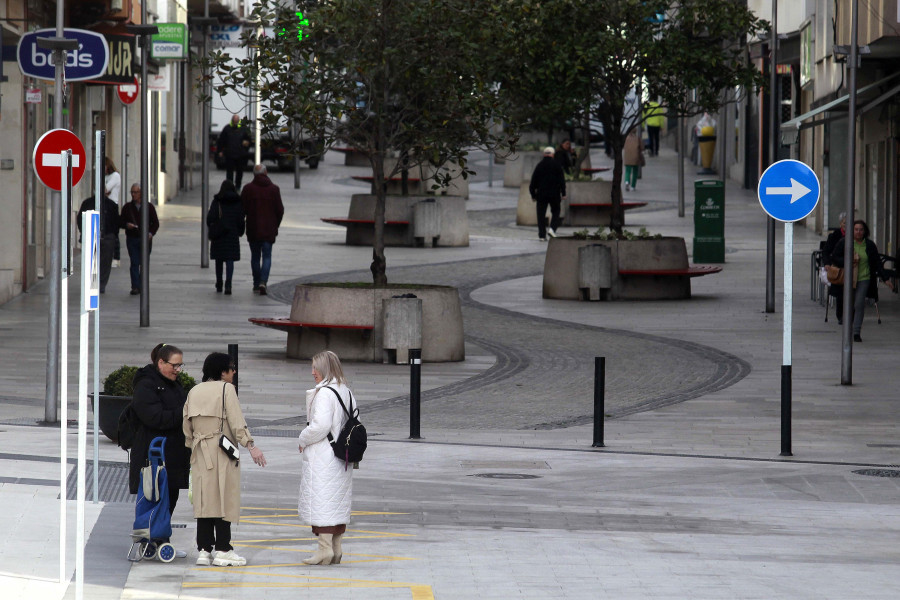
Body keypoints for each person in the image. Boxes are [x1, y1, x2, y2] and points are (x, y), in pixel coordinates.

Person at [183, 352, 267, 567]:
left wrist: (194, 445)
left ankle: (203, 550)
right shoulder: (226, 389)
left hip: (200, 451)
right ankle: (223, 549)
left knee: (204, 500)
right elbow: (237, 421)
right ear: (222, 372)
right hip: (222, 450)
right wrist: (251, 445)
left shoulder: (194, 390)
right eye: (231, 368)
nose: (234, 372)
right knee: (224, 498)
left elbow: (186, 426)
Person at [129, 343, 192, 558]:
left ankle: (161, 539)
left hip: (173, 454)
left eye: (180, 366)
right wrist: (183, 413)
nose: (177, 370)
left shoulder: (173, 384)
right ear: (161, 362)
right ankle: (153, 539)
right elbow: (154, 417)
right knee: (154, 497)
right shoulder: (146, 385)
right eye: (174, 365)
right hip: (153, 455)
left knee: (170, 497)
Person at [297, 351, 355, 566]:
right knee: (336, 502)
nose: (313, 372)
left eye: (316, 368)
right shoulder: (346, 391)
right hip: (342, 456)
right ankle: (336, 549)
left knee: (322, 501)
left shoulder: (325, 393)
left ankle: (324, 550)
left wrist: (303, 438)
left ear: (326, 369)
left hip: (324, 456)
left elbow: (320, 426)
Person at [830, 220, 894, 342]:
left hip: (864, 278)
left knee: (859, 304)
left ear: (865, 231)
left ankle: (856, 332)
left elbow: (877, 263)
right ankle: (847, 328)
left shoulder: (869, 245)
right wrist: (848, 260)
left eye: (861, 230)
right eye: (856, 229)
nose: (858, 232)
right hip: (848, 278)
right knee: (848, 303)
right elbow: (835, 257)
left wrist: (885, 279)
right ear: (852, 231)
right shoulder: (845, 242)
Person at [241, 164, 284, 295]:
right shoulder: (274, 189)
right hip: (268, 229)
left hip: (253, 229)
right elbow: (280, 210)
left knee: (255, 257)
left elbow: (242, 209)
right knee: (267, 256)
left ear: (254, 174)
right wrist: (275, 225)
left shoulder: (248, 189)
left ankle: (256, 283)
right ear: (266, 173)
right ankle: (263, 282)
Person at [120, 183, 159, 295]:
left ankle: (142, 284)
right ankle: (135, 286)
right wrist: (127, 225)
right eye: (132, 192)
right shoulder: (127, 207)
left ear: (141, 193)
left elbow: (155, 223)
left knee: (144, 262)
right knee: (134, 262)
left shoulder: (149, 207)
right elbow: (121, 221)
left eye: (135, 192)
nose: (133, 194)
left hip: (145, 239)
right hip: (132, 238)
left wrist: (151, 233)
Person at [75, 192, 119, 293]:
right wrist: (85, 232)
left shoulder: (112, 205)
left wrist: (112, 235)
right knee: (91, 261)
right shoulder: (87, 203)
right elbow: (80, 219)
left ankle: (101, 284)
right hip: (91, 236)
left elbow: (116, 222)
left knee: (105, 262)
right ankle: (92, 283)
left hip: (108, 236)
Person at [208, 180, 246, 295]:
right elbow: (241, 219)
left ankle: (219, 283)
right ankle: (228, 284)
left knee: (219, 259)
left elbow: (210, 218)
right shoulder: (238, 202)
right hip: (232, 235)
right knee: (230, 260)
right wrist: (240, 231)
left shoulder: (217, 201)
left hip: (219, 235)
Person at [528, 146, 567, 241]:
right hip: (554, 193)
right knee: (556, 211)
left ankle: (542, 235)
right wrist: (563, 193)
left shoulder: (539, 165)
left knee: (541, 214)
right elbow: (562, 181)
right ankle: (552, 229)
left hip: (541, 194)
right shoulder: (557, 165)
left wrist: (533, 195)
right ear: (553, 154)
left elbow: (533, 183)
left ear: (544, 154)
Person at [823, 212, 847, 323]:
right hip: (839, 268)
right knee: (841, 292)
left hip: (855, 268)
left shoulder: (858, 235)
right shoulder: (835, 236)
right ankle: (841, 316)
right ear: (840, 223)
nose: (846, 225)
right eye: (844, 223)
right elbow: (826, 252)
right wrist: (827, 263)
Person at [217, 114, 251, 189]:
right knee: (229, 172)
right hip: (230, 154)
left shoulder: (243, 129)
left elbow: (249, 140)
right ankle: (230, 186)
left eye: (237, 120)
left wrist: (246, 147)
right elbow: (221, 141)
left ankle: (238, 186)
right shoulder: (227, 128)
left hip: (240, 155)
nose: (236, 122)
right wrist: (220, 151)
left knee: (239, 172)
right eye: (234, 120)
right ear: (232, 120)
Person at [105, 157, 123, 268]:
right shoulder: (105, 176)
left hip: (112, 205)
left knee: (114, 232)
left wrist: (105, 191)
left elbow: (105, 189)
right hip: (104, 205)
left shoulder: (115, 176)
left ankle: (116, 257)